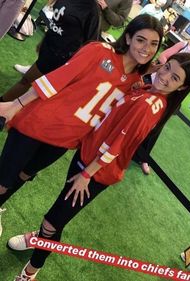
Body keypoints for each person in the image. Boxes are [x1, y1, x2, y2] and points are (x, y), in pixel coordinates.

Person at [9, 52, 190, 280]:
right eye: (167, 67)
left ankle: (31, 271)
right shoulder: (147, 90)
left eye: (175, 77)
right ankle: (40, 236)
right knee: (58, 215)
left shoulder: (150, 103)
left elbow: (117, 144)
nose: (166, 75)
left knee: (52, 222)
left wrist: (87, 174)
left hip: (94, 172)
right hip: (86, 157)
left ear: (182, 87)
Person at [0, 14, 163, 235]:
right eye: (140, 40)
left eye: (154, 43)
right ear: (127, 38)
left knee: (25, 175)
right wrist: (16, 104)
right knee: (3, 179)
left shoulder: (136, 82)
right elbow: (56, 80)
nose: (147, 48)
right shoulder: (99, 51)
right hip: (38, 124)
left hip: (65, 140)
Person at [135, 28, 190, 175]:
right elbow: (163, 56)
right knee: (139, 111)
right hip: (157, 84)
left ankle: (142, 157)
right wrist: (169, 73)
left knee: (157, 125)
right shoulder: (185, 44)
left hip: (175, 94)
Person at [0, 0, 100, 102]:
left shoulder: (91, 9)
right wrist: (44, 41)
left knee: (28, 83)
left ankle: (3, 106)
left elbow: (91, 43)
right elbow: (57, 23)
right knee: (31, 86)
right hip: (49, 47)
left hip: (62, 57)